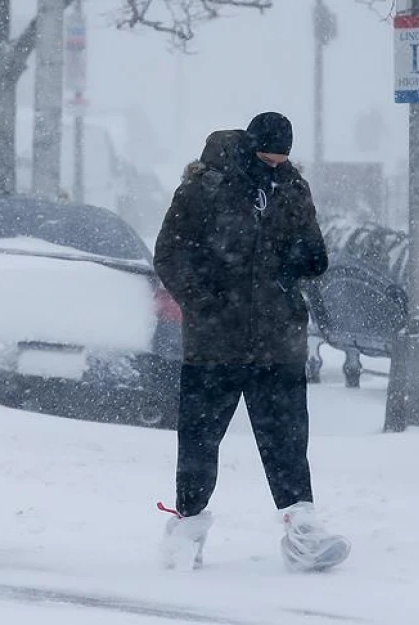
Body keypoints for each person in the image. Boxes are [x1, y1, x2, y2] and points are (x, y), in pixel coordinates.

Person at [153, 112, 350, 572]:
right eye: (267, 157)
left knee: (287, 440)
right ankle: (186, 529)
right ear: (249, 148)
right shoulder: (205, 188)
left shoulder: (293, 188)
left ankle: (304, 533)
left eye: (283, 159)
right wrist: (206, 300)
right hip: (214, 342)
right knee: (201, 440)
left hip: (277, 338)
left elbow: (311, 250)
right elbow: (170, 251)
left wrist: (306, 259)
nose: (276, 166)